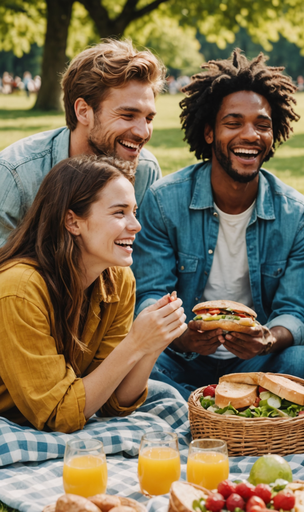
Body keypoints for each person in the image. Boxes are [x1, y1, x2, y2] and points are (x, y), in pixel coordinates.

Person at [132, 50, 304, 398]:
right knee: (137, 360)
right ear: (208, 132)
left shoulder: (298, 215)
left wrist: (268, 339)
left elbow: (294, 311)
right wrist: (180, 334)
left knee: (298, 359)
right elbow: (149, 294)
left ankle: (196, 407)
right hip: (178, 357)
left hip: (254, 362)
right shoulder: (163, 200)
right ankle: (205, 408)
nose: (250, 135)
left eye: (262, 125)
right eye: (233, 123)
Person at [0, 155, 187, 433]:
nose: (136, 225)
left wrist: (152, 345)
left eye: (134, 211)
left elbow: (111, 401)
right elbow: (58, 415)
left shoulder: (118, 279)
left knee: (170, 399)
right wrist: (135, 342)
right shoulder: (19, 289)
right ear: (72, 222)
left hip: (62, 414)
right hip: (13, 423)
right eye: (119, 212)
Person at [0, 39, 166, 247]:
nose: (143, 132)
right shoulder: (16, 177)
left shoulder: (145, 170)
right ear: (83, 111)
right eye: (127, 115)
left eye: (149, 119)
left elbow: (141, 265)